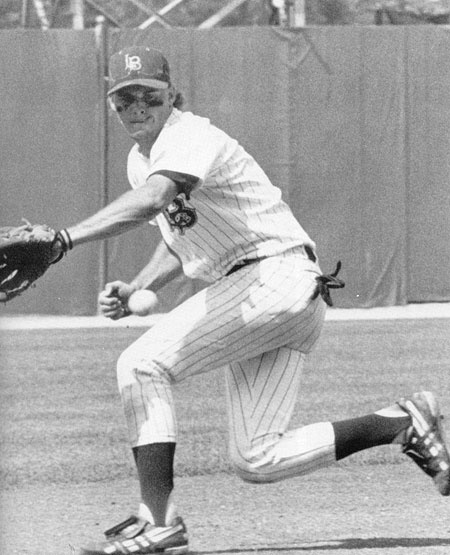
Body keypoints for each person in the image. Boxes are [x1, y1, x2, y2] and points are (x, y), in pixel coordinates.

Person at [52, 46, 450, 555]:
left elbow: (153, 201)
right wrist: (136, 285)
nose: (135, 107)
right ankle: (400, 421)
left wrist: (65, 239)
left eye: (146, 95)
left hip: (273, 276)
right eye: (123, 98)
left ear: (171, 95)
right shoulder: (141, 161)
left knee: (141, 363)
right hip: (275, 294)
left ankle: (158, 520)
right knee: (257, 459)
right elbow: (180, 237)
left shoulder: (190, 134)